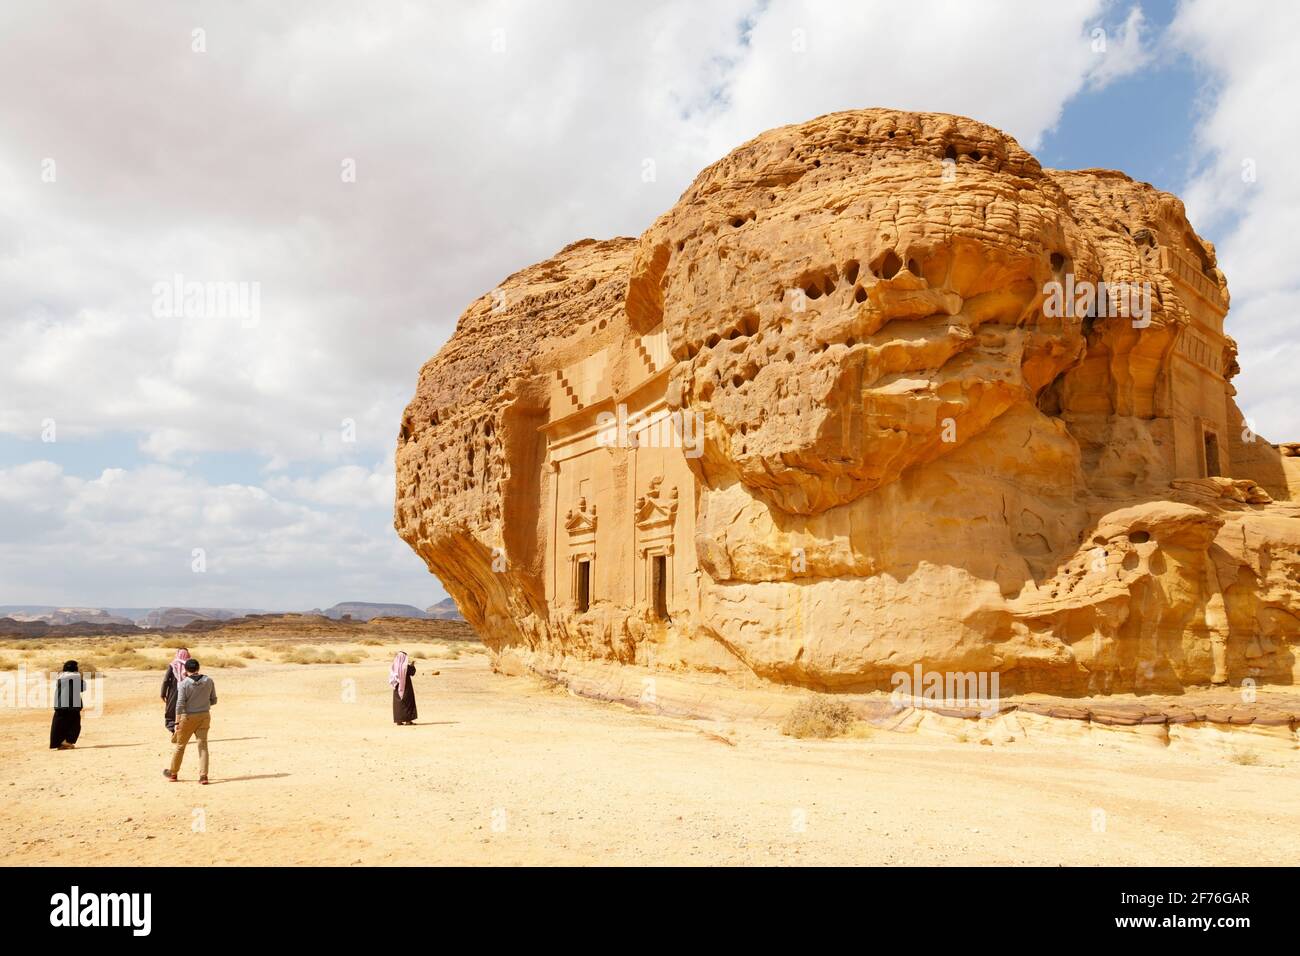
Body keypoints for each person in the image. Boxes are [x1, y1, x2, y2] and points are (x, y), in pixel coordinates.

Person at [165, 658, 216, 783]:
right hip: (204, 716)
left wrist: (176, 722)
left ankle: (173, 773)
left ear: (186, 670)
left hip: (187, 717)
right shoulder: (209, 680)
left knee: (180, 746)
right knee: (203, 746)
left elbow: (180, 704)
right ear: (198, 668)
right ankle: (203, 776)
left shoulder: (184, 684)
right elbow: (213, 700)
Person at [50, 660, 86, 750]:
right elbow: (83, 688)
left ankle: (58, 743)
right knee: (74, 724)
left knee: (59, 724)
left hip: (60, 704)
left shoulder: (60, 677)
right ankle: (68, 742)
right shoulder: (77, 677)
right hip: (73, 705)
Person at [160, 647, 190, 734]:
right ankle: (182, 730)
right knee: (185, 711)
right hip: (187, 691)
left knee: (171, 711)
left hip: (173, 692)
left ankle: (174, 730)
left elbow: (166, 680)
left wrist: (163, 693)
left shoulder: (173, 665)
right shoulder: (190, 665)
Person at [390, 651, 417, 725]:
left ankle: (399, 720)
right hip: (406, 686)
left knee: (398, 703)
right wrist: (412, 665)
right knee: (407, 702)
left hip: (396, 686)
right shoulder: (406, 667)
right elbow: (412, 672)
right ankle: (408, 721)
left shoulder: (394, 666)